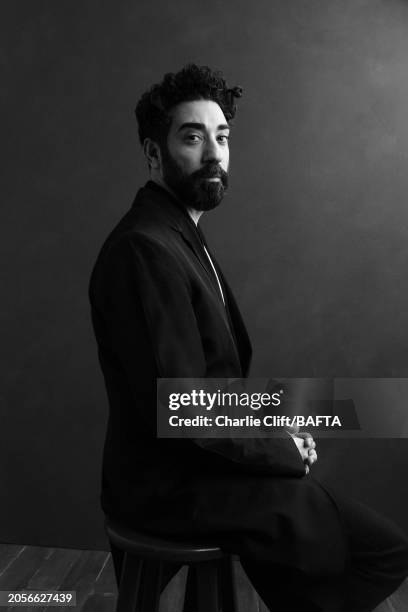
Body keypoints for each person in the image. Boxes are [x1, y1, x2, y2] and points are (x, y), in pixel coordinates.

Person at [89, 64, 408, 611]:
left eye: (223, 137)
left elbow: (210, 383)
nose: (214, 152)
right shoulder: (146, 248)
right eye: (192, 137)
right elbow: (185, 408)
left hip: (197, 464)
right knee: (383, 550)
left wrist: (277, 425)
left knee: (342, 505)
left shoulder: (181, 235)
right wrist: (278, 449)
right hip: (167, 484)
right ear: (153, 154)